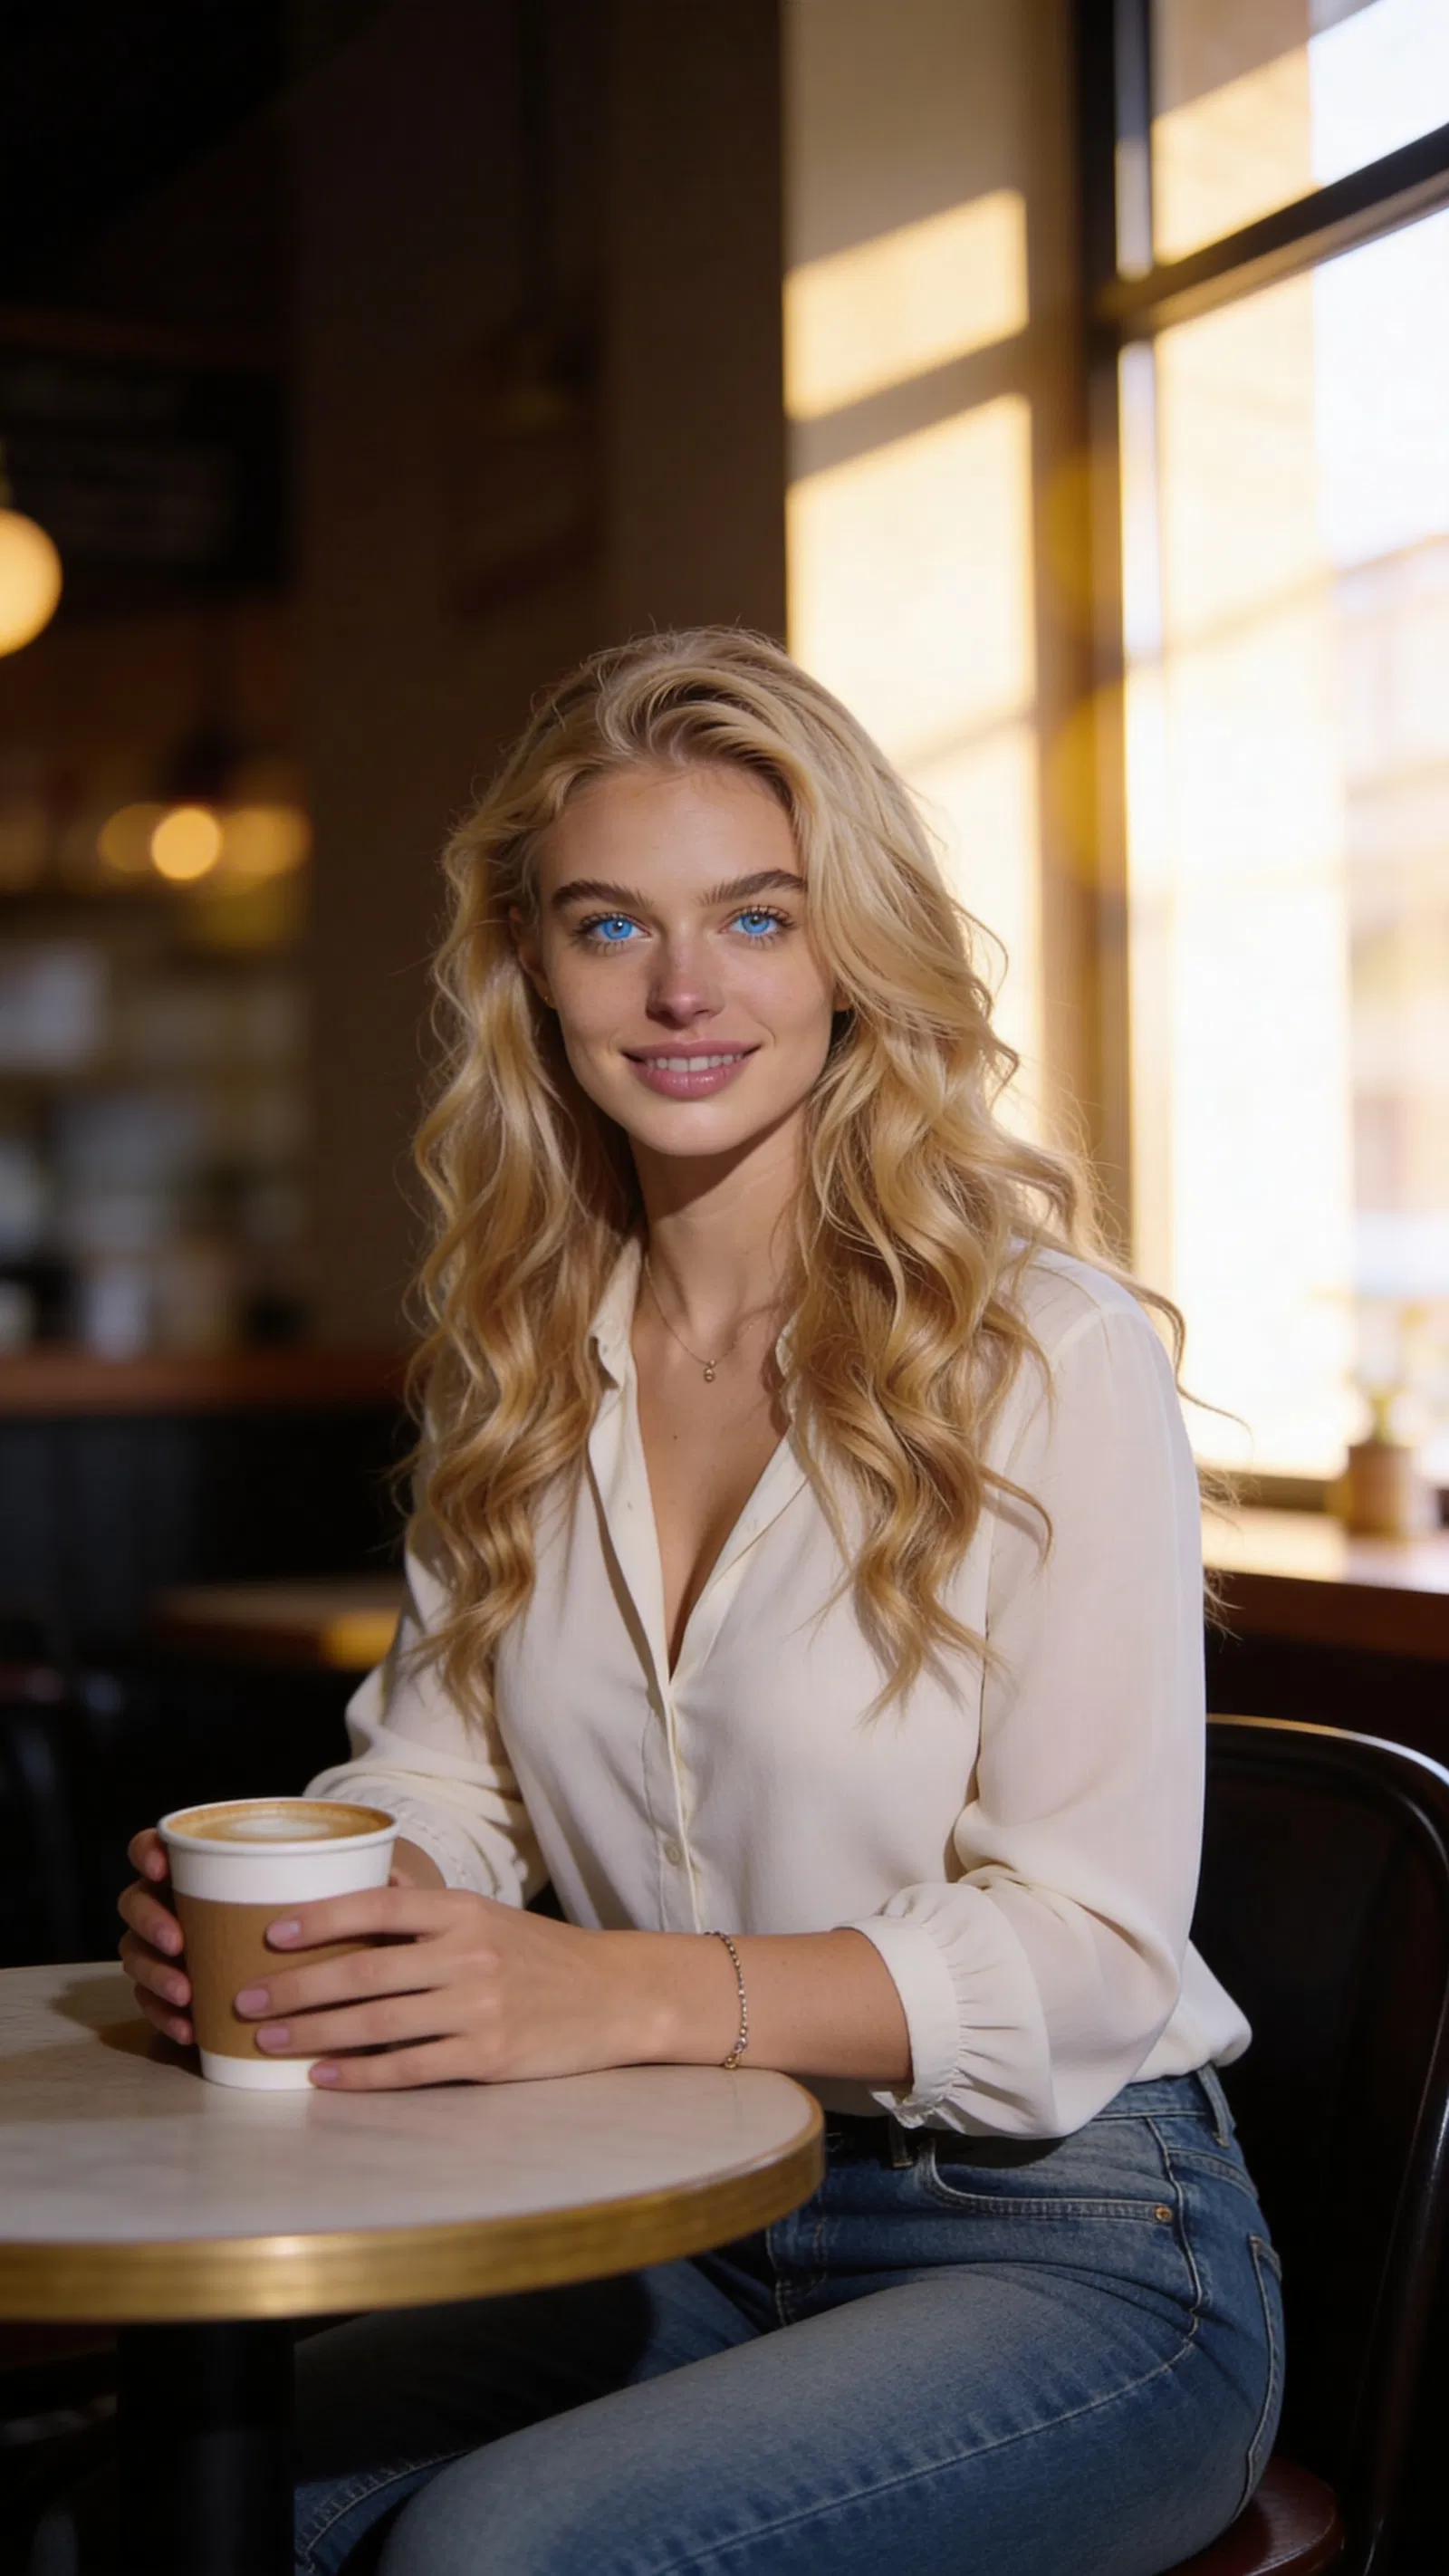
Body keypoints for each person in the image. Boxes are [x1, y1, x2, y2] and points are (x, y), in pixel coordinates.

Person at [119, 629, 1281, 2576]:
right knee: (172, 2513)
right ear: (530, 971)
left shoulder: (1043, 1353)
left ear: (852, 953)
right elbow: (443, 1789)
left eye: (754, 916)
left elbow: (1086, 1951)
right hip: (648, 2206)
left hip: (1061, 2237)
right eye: (607, 927)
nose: (680, 989)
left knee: (504, 2556)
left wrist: (610, 1991)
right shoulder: (513, 1356)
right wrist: (316, 1906)